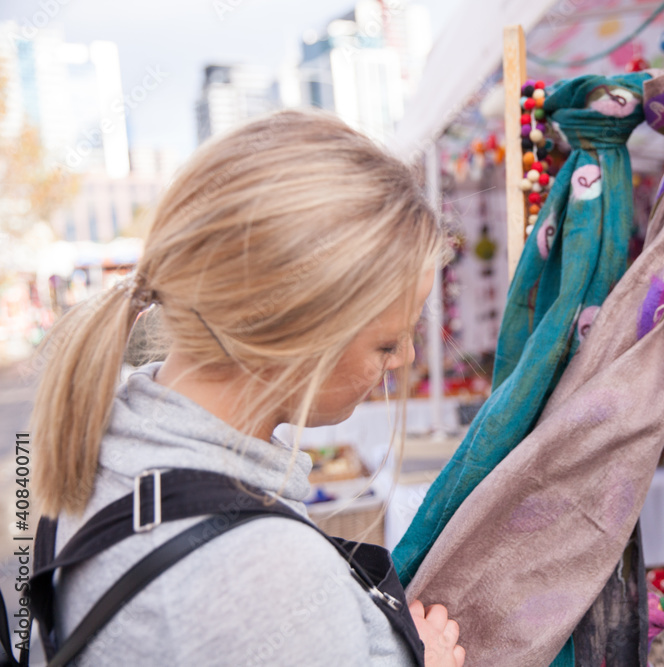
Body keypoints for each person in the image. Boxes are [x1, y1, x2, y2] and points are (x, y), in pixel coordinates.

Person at [28, 109, 465, 666]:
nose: (404, 358)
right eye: (386, 343)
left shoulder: (98, 439)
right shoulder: (264, 569)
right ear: (291, 338)